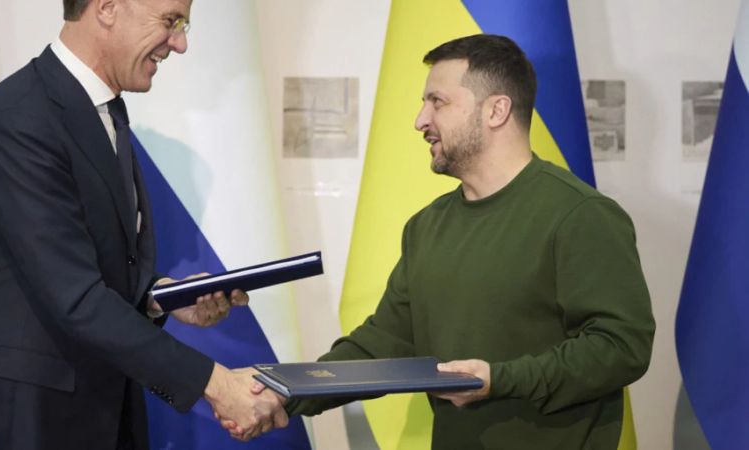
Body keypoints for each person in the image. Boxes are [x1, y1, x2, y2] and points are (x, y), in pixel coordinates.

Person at [228, 34, 656, 448]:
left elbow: (621, 347)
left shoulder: (579, 215)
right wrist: (282, 389)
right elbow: (384, 344)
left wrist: (499, 380)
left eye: (438, 101)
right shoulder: (426, 226)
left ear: (496, 111)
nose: (420, 120)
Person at [0, 1, 287, 449]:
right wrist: (216, 384)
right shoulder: (17, 122)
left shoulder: (102, 112)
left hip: (94, 417)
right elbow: (75, 299)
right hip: (17, 423)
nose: (180, 43)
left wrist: (164, 298)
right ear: (109, 8)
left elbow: (81, 264)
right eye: (170, 21)